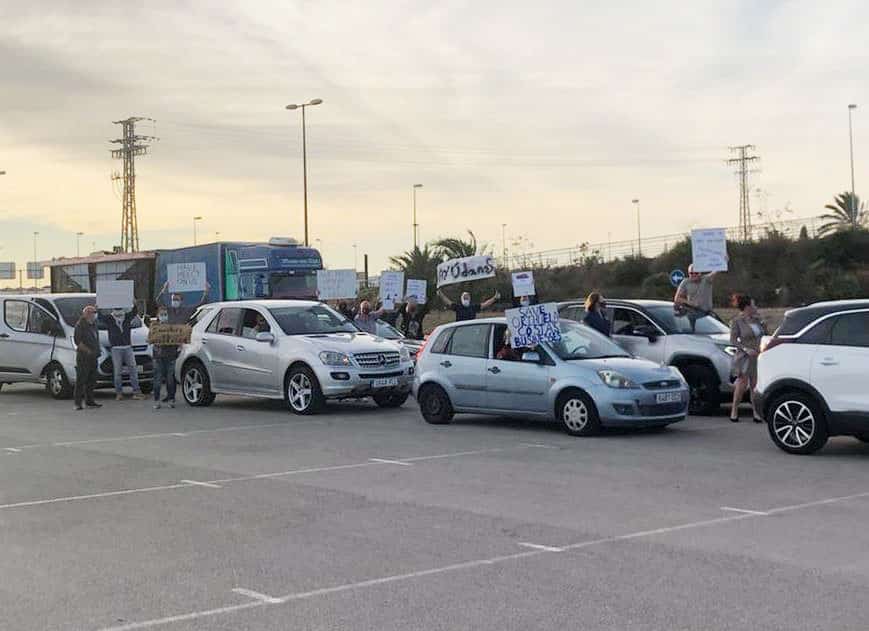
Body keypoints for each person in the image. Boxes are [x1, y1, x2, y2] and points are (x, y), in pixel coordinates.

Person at [728, 294, 766, 423]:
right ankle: (734, 409)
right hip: (745, 357)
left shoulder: (757, 320)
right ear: (747, 307)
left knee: (755, 385)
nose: (755, 307)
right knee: (742, 384)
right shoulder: (737, 321)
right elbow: (733, 340)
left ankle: (756, 411)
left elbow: (764, 334)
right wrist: (745, 349)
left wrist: (763, 323)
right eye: (753, 304)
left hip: (758, 355)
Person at [98, 305, 145, 401]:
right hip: (116, 348)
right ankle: (119, 393)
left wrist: (134, 303)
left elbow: (134, 312)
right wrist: (98, 307)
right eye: (117, 308)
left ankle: (136, 392)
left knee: (133, 369)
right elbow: (100, 317)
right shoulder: (109, 318)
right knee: (118, 372)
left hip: (128, 347)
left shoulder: (127, 316)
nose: (118, 310)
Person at [73, 305, 102, 411]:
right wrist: (88, 351)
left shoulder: (93, 324)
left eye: (94, 312)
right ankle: (77, 403)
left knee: (92, 379)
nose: (94, 314)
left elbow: (95, 338)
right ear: (86, 314)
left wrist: (97, 351)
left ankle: (90, 401)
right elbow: (78, 342)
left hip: (94, 356)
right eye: (92, 312)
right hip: (84, 357)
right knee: (81, 379)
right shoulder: (80, 325)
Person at [150, 305, 179, 410]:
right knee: (157, 380)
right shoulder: (154, 326)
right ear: (158, 315)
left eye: (165, 314)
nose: (163, 316)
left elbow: (178, 339)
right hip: (158, 356)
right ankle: (157, 401)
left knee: (170, 380)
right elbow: (150, 339)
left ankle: (171, 400)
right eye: (162, 314)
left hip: (171, 356)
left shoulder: (172, 327)